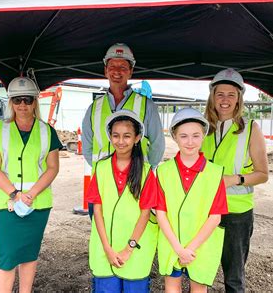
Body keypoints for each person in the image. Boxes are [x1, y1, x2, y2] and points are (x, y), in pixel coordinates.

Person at [0, 77, 62, 293]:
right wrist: (14, 194)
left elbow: (52, 167)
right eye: (17, 100)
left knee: (30, 252)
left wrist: (31, 194)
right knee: (8, 255)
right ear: (11, 102)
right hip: (5, 204)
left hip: (37, 204)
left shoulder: (47, 131)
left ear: (35, 102)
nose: (22, 105)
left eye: (27, 99)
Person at [202, 68, 268, 293]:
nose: (225, 100)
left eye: (231, 94)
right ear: (212, 96)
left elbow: (263, 174)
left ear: (239, 98)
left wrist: (235, 179)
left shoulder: (250, 129)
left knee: (233, 278)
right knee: (202, 272)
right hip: (205, 210)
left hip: (236, 214)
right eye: (220, 94)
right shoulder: (202, 128)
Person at [82, 43, 165, 217]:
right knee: (104, 232)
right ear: (105, 70)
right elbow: (88, 147)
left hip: (136, 183)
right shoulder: (94, 108)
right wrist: (106, 171)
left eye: (123, 67)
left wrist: (143, 171)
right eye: (112, 66)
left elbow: (157, 145)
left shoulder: (146, 105)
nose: (117, 71)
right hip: (102, 183)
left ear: (130, 71)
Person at [156, 108, 228, 292]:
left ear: (204, 136)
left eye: (196, 136)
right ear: (175, 137)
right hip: (172, 243)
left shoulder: (214, 173)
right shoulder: (164, 172)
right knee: (172, 287)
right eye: (184, 136)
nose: (190, 142)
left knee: (199, 288)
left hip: (201, 246)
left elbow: (215, 217)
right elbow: (161, 214)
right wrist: (179, 249)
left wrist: (189, 249)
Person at [87, 109, 158, 293]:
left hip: (135, 250)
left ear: (137, 138)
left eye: (127, 136)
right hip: (105, 248)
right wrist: (107, 249)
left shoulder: (147, 172)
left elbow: (145, 213)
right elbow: (97, 210)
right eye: (116, 135)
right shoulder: (100, 168)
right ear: (110, 137)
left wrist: (129, 248)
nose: (120, 141)